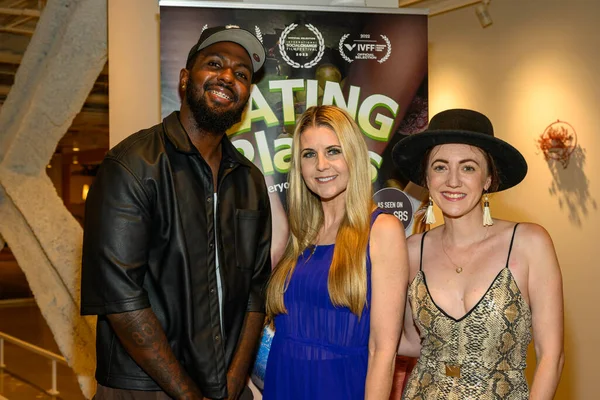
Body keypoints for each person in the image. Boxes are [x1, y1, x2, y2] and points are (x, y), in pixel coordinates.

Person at [80, 26, 271, 400]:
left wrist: (233, 383)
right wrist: (187, 394)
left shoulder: (248, 180)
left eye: (242, 74)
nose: (228, 76)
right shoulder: (132, 165)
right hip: (143, 387)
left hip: (223, 386)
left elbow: (255, 292)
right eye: (214, 63)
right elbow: (121, 298)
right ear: (185, 79)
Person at [392, 109, 564, 399]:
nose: (453, 181)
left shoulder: (530, 243)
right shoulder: (410, 251)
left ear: (487, 179)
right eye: (440, 167)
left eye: (468, 167)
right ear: (427, 177)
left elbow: (552, 355)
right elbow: (409, 340)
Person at [262, 105, 409, 400]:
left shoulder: (382, 229)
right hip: (283, 383)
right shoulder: (300, 234)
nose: (321, 165)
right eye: (309, 154)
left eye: (333, 151)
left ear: (353, 156)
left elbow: (383, 350)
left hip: (340, 386)